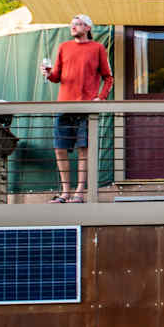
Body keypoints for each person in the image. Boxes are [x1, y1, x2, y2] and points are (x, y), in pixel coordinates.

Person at [41, 14, 113, 202]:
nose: (73, 27)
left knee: (84, 149)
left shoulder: (97, 48)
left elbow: (108, 77)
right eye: (72, 25)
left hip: (86, 106)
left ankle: (79, 192)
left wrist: (100, 97)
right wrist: (48, 74)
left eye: (78, 24)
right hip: (64, 105)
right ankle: (65, 192)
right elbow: (57, 76)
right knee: (59, 149)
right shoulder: (63, 47)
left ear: (88, 28)